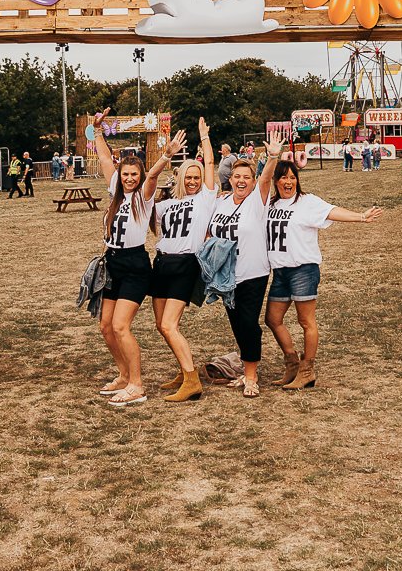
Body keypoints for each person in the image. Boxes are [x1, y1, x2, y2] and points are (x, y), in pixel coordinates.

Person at [264, 159, 383, 390]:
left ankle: (307, 370)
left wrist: (360, 216)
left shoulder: (306, 202)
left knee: (305, 321)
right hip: (280, 272)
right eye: (284, 177)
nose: (289, 181)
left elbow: (332, 211)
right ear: (276, 181)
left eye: (292, 177)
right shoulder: (271, 205)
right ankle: (292, 363)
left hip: (303, 270)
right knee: (272, 319)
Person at [90, 110, 173, 407]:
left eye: (133, 175)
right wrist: (97, 131)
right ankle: (124, 376)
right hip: (112, 263)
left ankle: (137, 385)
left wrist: (164, 157)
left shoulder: (143, 196)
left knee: (122, 326)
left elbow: (152, 176)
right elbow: (103, 159)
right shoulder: (116, 192)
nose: (128, 179)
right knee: (106, 327)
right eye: (125, 174)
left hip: (136, 266)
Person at [206, 137, 284, 398]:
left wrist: (272, 157)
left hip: (253, 273)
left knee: (249, 323)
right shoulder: (222, 202)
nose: (241, 180)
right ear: (230, 178)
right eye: (236, 176)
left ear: (252, 181)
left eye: (246, 177)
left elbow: (265, 180)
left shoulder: (256, 202)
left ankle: (251, 376)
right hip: (226, 276)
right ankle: (245, 367)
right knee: (237, 323)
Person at [149, 116, 215, 403]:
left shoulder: (205, 199)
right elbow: (147, 191)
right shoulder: (166, 205)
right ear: (179, 178)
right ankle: (184, 368)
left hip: (185, 264)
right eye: (187, 177)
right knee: (160, 324)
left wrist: (204, 138)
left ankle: (191, 381)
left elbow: (210, 164)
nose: (192, 181)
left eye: (196, 178)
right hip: (162, 263)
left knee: (168, 325)